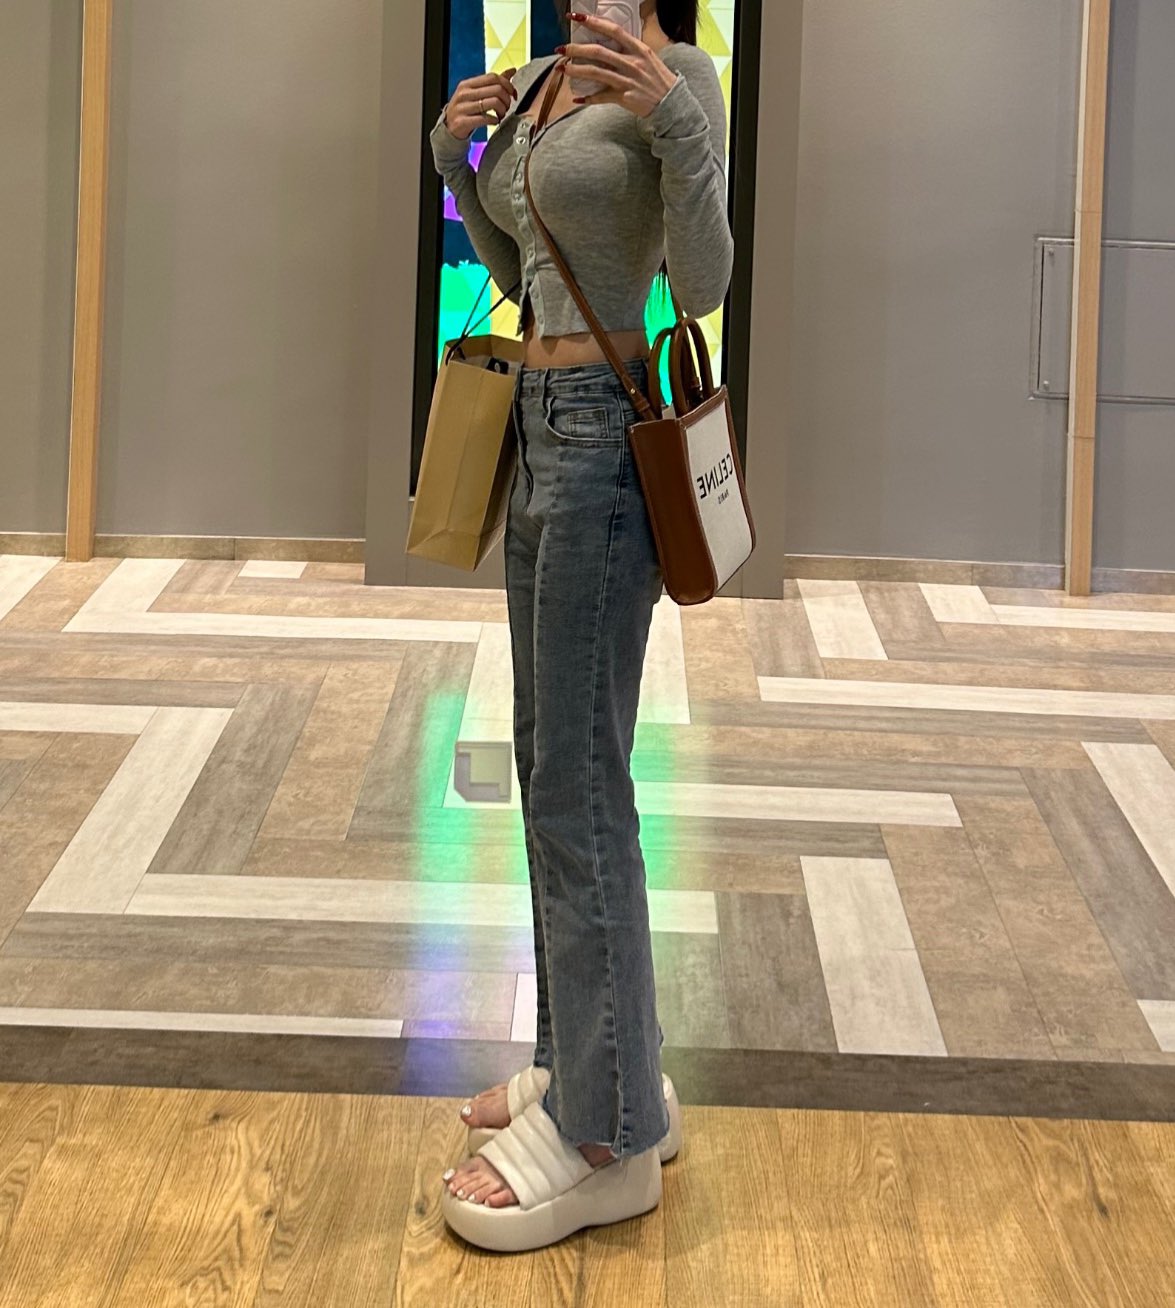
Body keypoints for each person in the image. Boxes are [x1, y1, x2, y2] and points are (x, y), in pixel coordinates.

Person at [427, 0, 733, 1251]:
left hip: (607, 440)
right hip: (533, 428)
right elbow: (522, 278)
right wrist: (457, 162)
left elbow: (700, 285)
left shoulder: (680, 70)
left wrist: (672, 120)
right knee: (545, 757)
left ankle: (607, 1137)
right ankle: (589, 1066)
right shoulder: (543, 75)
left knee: (578, 783)